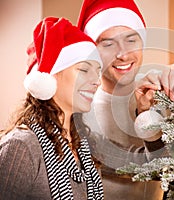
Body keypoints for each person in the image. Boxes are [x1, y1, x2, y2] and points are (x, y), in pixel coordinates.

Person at [77, 0, 174, 199]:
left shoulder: (159, 87)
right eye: (108, 44)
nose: (123, 54)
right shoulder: (80, 107)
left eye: (131, 40)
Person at [0, 17, 104, 200]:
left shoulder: (85, 145)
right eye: (84, 70)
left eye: (98, 71)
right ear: (51, 77)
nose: (97, 81)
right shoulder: (21, 147)